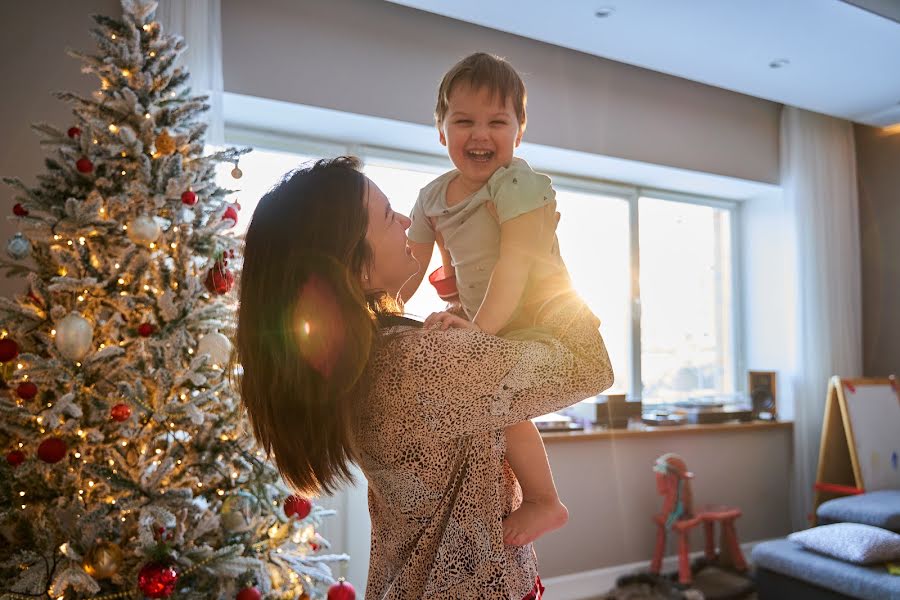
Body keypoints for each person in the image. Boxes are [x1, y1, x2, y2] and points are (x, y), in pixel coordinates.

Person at [235, 157, 613, 599]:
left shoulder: (361, 361)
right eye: (386, 215)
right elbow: (590, 364)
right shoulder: (419, 361)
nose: (404, 222)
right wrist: (539, 252)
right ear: (355, 265)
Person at [401, 52, 574, 547]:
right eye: (463, 121)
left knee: (500, 399)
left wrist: (479, 332)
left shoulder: (516, 183)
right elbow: (410, 269)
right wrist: (378, 312)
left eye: (497, 121)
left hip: (537, 312)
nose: (480, 134)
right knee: (484, 401)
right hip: (487, 319)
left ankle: (544, 499)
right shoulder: (431, 198)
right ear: (441, 130)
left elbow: (515, 263)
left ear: (519, 132)